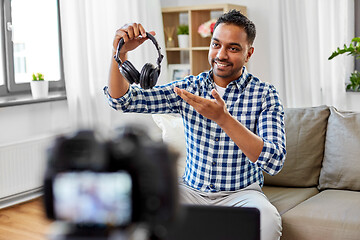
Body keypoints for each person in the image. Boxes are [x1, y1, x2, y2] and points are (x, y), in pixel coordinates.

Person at [104, 10, 286, 240]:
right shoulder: (190, 87)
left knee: (268, 221)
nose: (221, 54)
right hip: (190, 191)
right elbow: (123, 101)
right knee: (139, 207)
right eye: (216, 44)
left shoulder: (265, 94)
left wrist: (224, 119)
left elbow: (274, 161)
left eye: (233, 48)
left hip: (241, 194)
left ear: (249, 53)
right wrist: (118, 53)